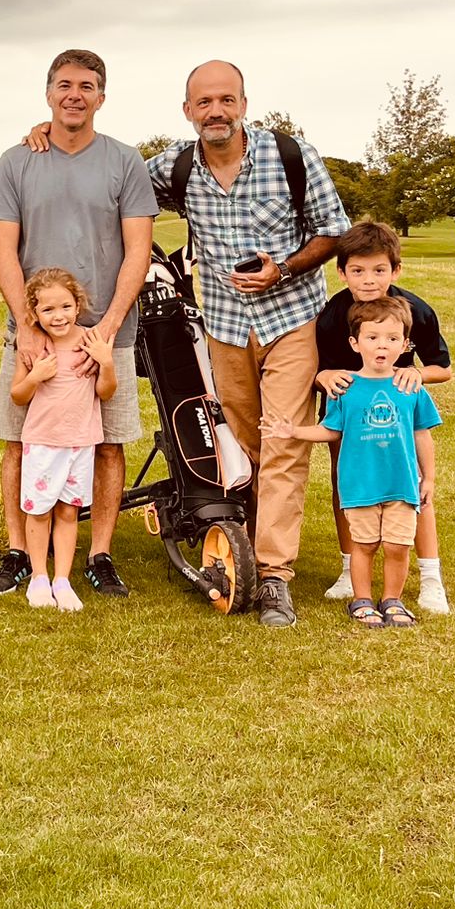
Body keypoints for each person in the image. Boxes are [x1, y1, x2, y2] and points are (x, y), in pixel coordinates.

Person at [146, 61, 349, 627]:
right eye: (204, 102)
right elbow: (110, 184)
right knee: (246, 443)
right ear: (187, 110)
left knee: (283, 440)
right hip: (225, 327)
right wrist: (45, 139)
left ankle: (275, 577)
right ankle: (255, 541)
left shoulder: (291, 156)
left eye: (226, 99)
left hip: (292, 320)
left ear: (243, 103)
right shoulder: (175, 166)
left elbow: (333, 229)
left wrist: (281, 269)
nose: (217, 110)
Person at [0, 49, 156, 600]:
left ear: (101, 96)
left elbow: (139, 250)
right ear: (48, 93)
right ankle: (19, 552)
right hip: (33, 336)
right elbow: (5, 252)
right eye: (64, 85)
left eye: (86, 85)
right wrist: (26, 325)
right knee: (19, 442)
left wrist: (105, 327)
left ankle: (99, 555)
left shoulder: (125, 161)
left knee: (106, 444)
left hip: (109, 335)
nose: (74, 94)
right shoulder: (17, 161)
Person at [261, 296, 439, 627]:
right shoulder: (345, 389)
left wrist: (427, 478)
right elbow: (330, 431)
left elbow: (421, 435)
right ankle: (362, 600)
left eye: (392, 339)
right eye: (372, 338)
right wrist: (291, 430)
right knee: (366, 544)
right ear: (355, 344)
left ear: (405, 344)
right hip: (360, 486)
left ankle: (393, 600)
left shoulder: (410, 388)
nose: (382, 346)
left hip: (401, 484)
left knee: (398, 547)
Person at [314, 221, 452, 613]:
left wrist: (415, 373)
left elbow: (442, 367)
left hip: (400, 417)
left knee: (416, 489)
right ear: (341, 272)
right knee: (346, 485)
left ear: (396, 271)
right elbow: (321, 367)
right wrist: (323, 375)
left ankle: (430, 577)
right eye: (358, 271)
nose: (369, 280)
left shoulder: (416, 311)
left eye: (379, 270)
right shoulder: (332, 316)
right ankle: (348, 569)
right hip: (348, 415)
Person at [10, 268, 117, 612]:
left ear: (78, 305)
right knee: (40, 512)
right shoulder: (33, 345)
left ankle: (63, 580)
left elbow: (106, 391)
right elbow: (17, 395)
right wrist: (36, 376)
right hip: (43, 442)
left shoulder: (91, 341)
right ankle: (40, 577)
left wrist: (107, 363)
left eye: (66, 307)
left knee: (69, 512)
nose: (59, 316)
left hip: (81, 442)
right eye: (48, 310)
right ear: (35, 313)